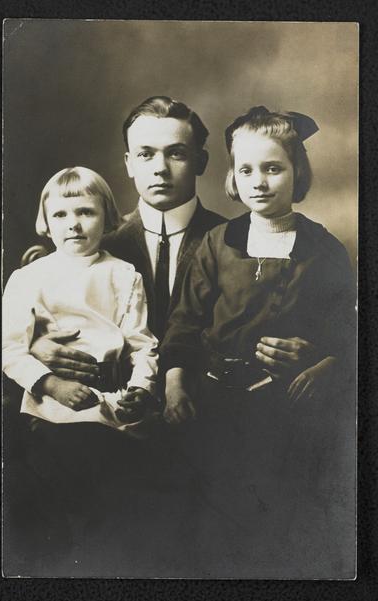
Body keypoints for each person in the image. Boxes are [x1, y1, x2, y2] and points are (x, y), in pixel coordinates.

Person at [160, 107, 356, 575]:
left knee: (281, 523)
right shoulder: (216, 243)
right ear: (232, 176)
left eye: (273, 168)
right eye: (246, 169)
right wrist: (175, 386)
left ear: (297, 173)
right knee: (214, 520)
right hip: (216, 404)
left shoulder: (324, 249)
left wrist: (322, 363)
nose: (259, 181)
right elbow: (184, 325)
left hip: (289, 411)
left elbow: (346, 335)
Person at [2, 166, 160, 571]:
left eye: (86, 212)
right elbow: (8, 349)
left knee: (129, 496)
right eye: (61, 215)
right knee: (70, 484)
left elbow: (142, 345)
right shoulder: (29, 277)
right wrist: (51, 383)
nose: (73, 224)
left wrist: (140, 388)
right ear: (46, 223)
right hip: (52, 410)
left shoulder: (124, 276)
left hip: (113, 403)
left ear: (107, 217)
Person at [28, 97, 225, 390]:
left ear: (201, 161)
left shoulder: (232, 240)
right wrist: (35, 345)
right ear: (129, 163)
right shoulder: (91, 246)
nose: (160, 168)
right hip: (108, 409)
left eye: (176, 154)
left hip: (208, 408)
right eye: (146, 154)